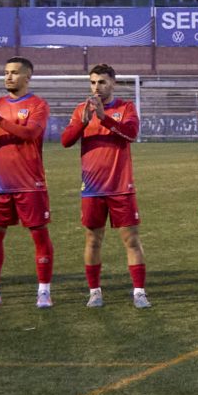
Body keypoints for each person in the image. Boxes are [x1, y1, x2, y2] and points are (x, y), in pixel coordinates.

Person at [61, 63, 148, 308]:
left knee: (131, 239)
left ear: (113, 83)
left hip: (121, 186)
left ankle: (139, 292)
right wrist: (83, 121)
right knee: (92, 240)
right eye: (93, 82)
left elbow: (131, 134)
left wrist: (104, 118)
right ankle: (95, 292)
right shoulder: (81, 110)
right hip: (92, 188)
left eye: (102, 82)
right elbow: (66, 140)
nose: (97, 87)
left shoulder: (126, 107)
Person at [0, 55, 54, 309]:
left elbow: (30, 133)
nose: (8, 76)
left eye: (14, 72)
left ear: (27, 77)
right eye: (6, 71)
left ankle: (44, 291)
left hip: (29, 184)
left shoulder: (37, 105)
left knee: (39, 236)